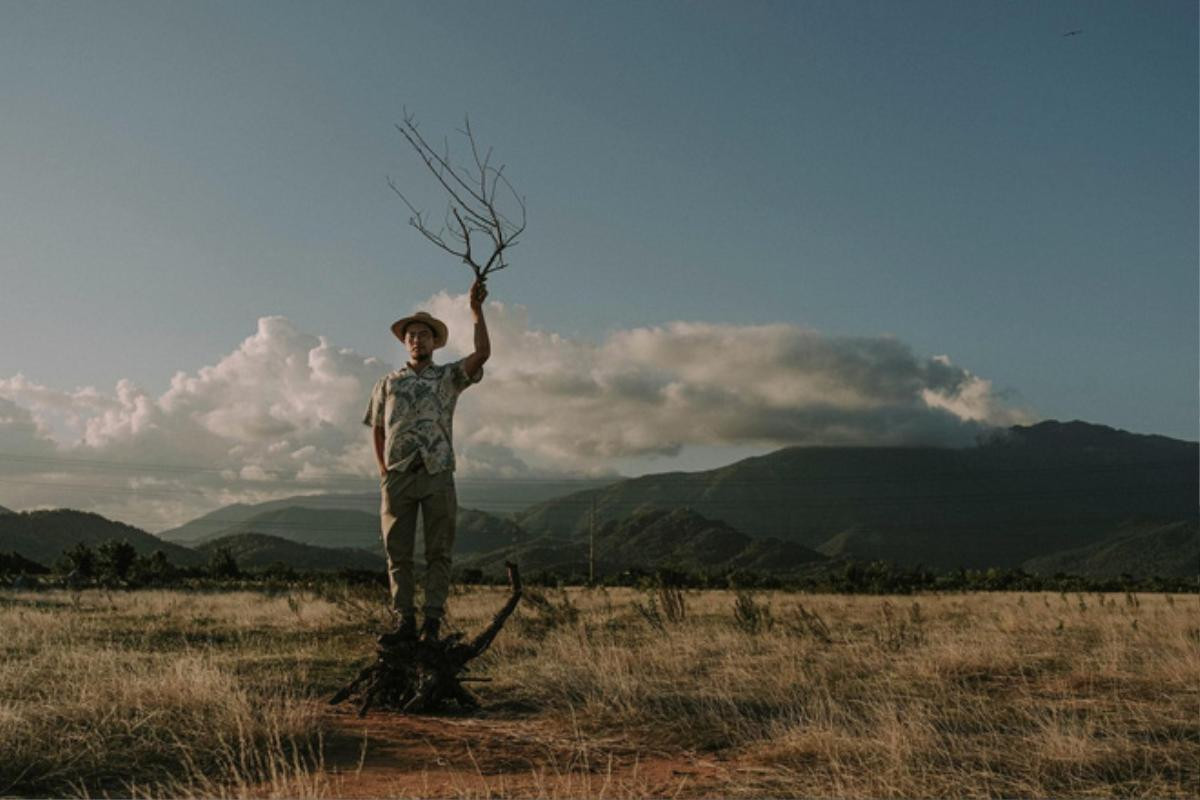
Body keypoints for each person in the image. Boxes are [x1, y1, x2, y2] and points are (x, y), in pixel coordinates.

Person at [363, 278, 490, 642]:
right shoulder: (387, 383)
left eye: (424, 334)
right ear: (405, 342)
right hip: (398, 475)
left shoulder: (448, 377)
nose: (417, 339)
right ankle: (404, 620)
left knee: (439, 552)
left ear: (435, 342)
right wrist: (383, 471)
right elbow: (376, 428)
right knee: (397, 553)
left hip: (437, 472)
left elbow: (481, 354)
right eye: (412, 335)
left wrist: (476, 311)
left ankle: (432, 620)